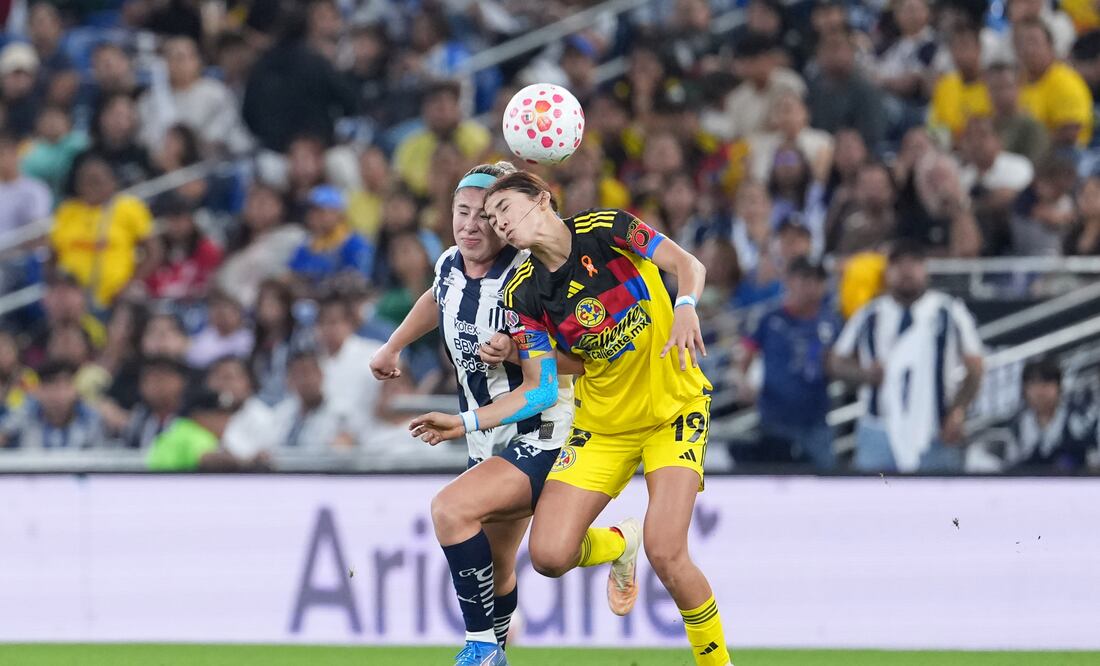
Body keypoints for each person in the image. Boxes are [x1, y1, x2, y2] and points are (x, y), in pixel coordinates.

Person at [410, 171, 733, 666]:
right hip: (602, 427)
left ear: (542, 200)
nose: (500, 223)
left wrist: (685, 305)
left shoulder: (608, 229)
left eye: (505, 210)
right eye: (493, 218)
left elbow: (686, 264)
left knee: (666, 551)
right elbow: (540, 390)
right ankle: (618, 543)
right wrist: (469, 421)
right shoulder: (524, 292)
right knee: (549, 557)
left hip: (673, 411)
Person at [370, 162, 575, 666]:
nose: (469, 225)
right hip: (488, 440)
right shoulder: (449, 265)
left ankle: (482, 647)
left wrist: (513, 354)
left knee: (450, 510)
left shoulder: (526, 280)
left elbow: (550, 382)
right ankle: (496, 649)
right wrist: (393, 346)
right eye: (461, 213)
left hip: (540, 430)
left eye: (484, 216)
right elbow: (437, 297)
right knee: (500, 569)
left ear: (504, 225)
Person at [828, 242, 985, 473]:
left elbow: (976, 367)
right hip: (879, 428)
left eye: (914, 263)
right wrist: (864, 374)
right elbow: (835, 361)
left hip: (934, 429)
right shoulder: (870, 314)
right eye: (898, 264)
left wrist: (957, 411)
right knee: (876, 503)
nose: (906, 270)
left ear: (925, 269)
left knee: (938, 504)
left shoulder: (949, 311)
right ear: (887, 271)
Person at [739, 258, 840, 470]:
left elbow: (839, 361)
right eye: (804, 279)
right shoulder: (768, 318)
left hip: (816, 420)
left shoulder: (831, 321)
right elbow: (742, 359)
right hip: (775, 420)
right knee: (774, 481)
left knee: (824, 481)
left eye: (817, 280)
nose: (811, 286)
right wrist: (742, 382)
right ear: (789, 281)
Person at [49, 154, 156, 308]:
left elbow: (154, 251)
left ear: (112, 181)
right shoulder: (67, 211)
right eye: (85, 182)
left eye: (96, 181)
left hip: (118, 297)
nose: (91, 187)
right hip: (76, 301)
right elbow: (52, 256)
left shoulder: (128, 207)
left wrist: (130, 283)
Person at [1014, 18, 1094, 147]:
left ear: (1050, 46)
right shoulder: (1016, 82)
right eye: (1021, 44)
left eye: (1033, 42)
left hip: (1066, 154)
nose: (1028, 49)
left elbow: (1070, 133)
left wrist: (1031, 144)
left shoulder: (1066, 81)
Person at [287, 185, 374, 290]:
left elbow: (361, 279)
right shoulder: (307, 245)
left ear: (338, 213)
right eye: (311, 211)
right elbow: (292, 277)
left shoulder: (354, 243)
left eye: (320, 211)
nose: (314, 216)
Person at [0, 360, 102, 450]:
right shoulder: (23, 414)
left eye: (66, 386)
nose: (60, 395)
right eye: (52, 387)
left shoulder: (90, 418)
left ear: (75, 390)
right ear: (39, 391)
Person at [146, 388, 238, 471]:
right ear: (199, 416)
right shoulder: (197, 435)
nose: (226, 421)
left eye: (228, 415)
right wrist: (245, 463)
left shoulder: (175, 429)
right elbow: (207, 459)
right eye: (219, 415)